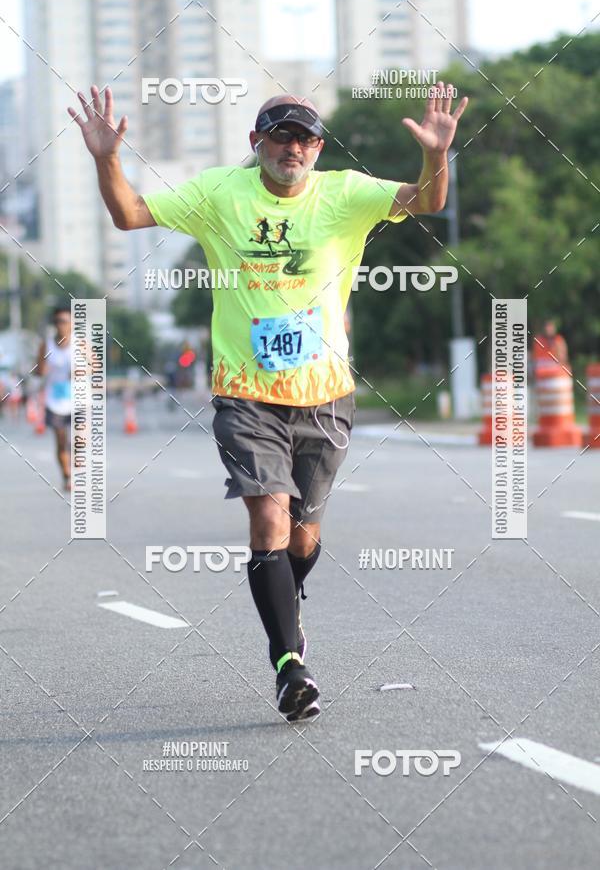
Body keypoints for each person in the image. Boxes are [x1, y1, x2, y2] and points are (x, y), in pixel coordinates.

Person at [69, 82, 468, 721]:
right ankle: (290, 665)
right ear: (256, 142)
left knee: (303, 539)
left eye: (307, 138)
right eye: (282, 136)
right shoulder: (218, 193)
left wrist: (436, 154)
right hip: (246, 393)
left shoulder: (345, 193)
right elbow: (130, 214)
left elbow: (429, 199)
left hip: (324, 394)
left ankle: (287, 608)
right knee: (269, 525)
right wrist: (105, 159)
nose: (296, 148)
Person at [36, 306, 72, 491]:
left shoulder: (80, 345)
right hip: (55, 399)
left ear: (72, 323)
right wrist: (41, 370)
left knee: (80, 439)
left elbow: (95, 366)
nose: (61, 325)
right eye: (57, 322)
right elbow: (38, 370)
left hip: (80, 398)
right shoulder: (47, 345)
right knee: (61, 440)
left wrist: (83, 371)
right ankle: (67, 475)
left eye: (65, 321)